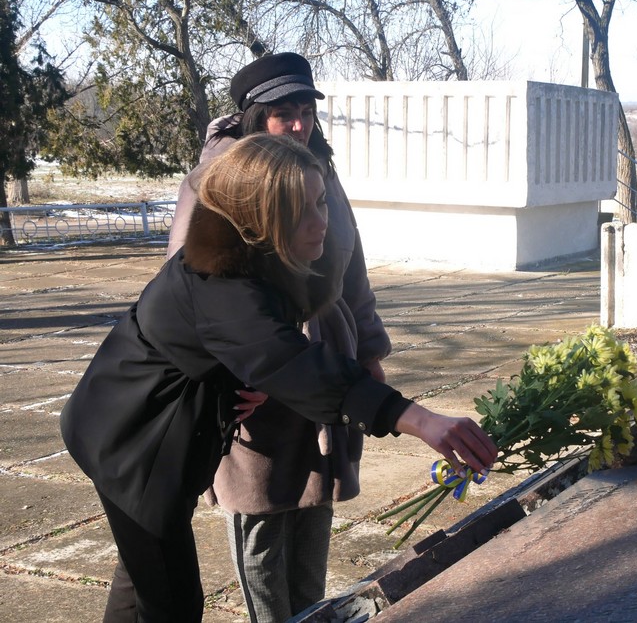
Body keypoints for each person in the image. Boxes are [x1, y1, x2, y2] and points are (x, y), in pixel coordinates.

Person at [61, 134, 497, 622]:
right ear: (257, 214)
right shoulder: (220, 282)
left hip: (171, 425)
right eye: (299, 212)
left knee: (142, 571)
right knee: (172, 600)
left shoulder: (265, 251)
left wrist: (243, 378)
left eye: (320, 202)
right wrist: (416, 419)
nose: (320, 223)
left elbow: (255, 348)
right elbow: (293, 360)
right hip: (133, 439)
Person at [168, 53, 389, 622]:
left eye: (305, 112)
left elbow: (352, 264)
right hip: (255, 369)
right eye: (282, 114)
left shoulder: (320, 169)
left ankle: (310, 615)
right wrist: (241, 374)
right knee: (262, 514)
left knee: (315, 504)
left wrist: (368, 349)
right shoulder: (223, 178)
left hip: (323, 359)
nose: (298, 125)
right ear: (254, 117)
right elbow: (194, 290)